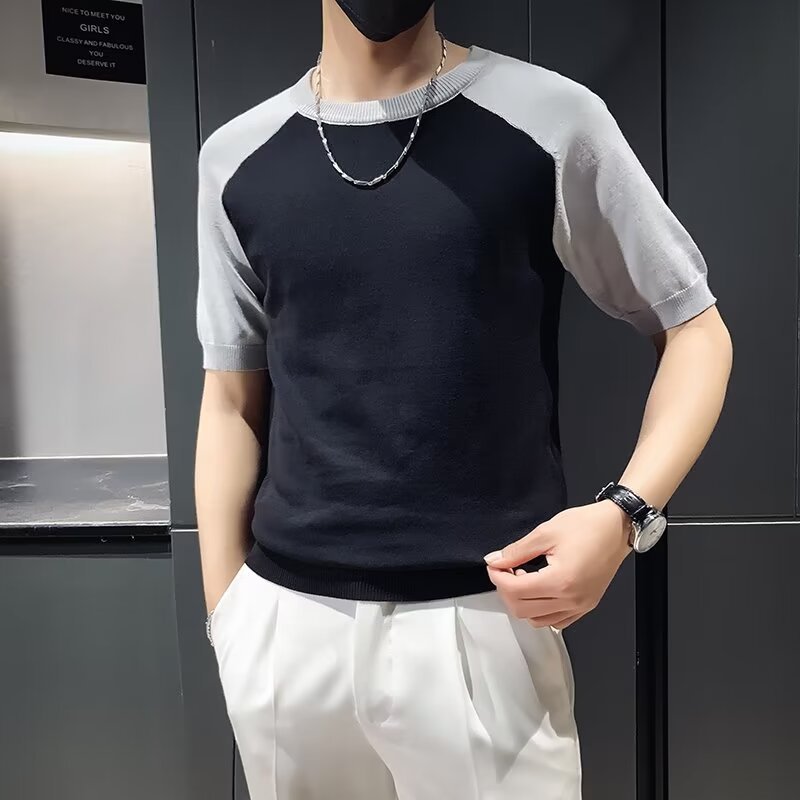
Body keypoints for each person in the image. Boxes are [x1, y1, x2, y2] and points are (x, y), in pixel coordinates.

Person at [194, 1, 732, 798]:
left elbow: (696, 330)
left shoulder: (549, 118)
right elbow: (231, 398)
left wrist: (624, 514)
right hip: (286, 628)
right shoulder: (236, 157)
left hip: (483, 618)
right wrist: (230, 618)